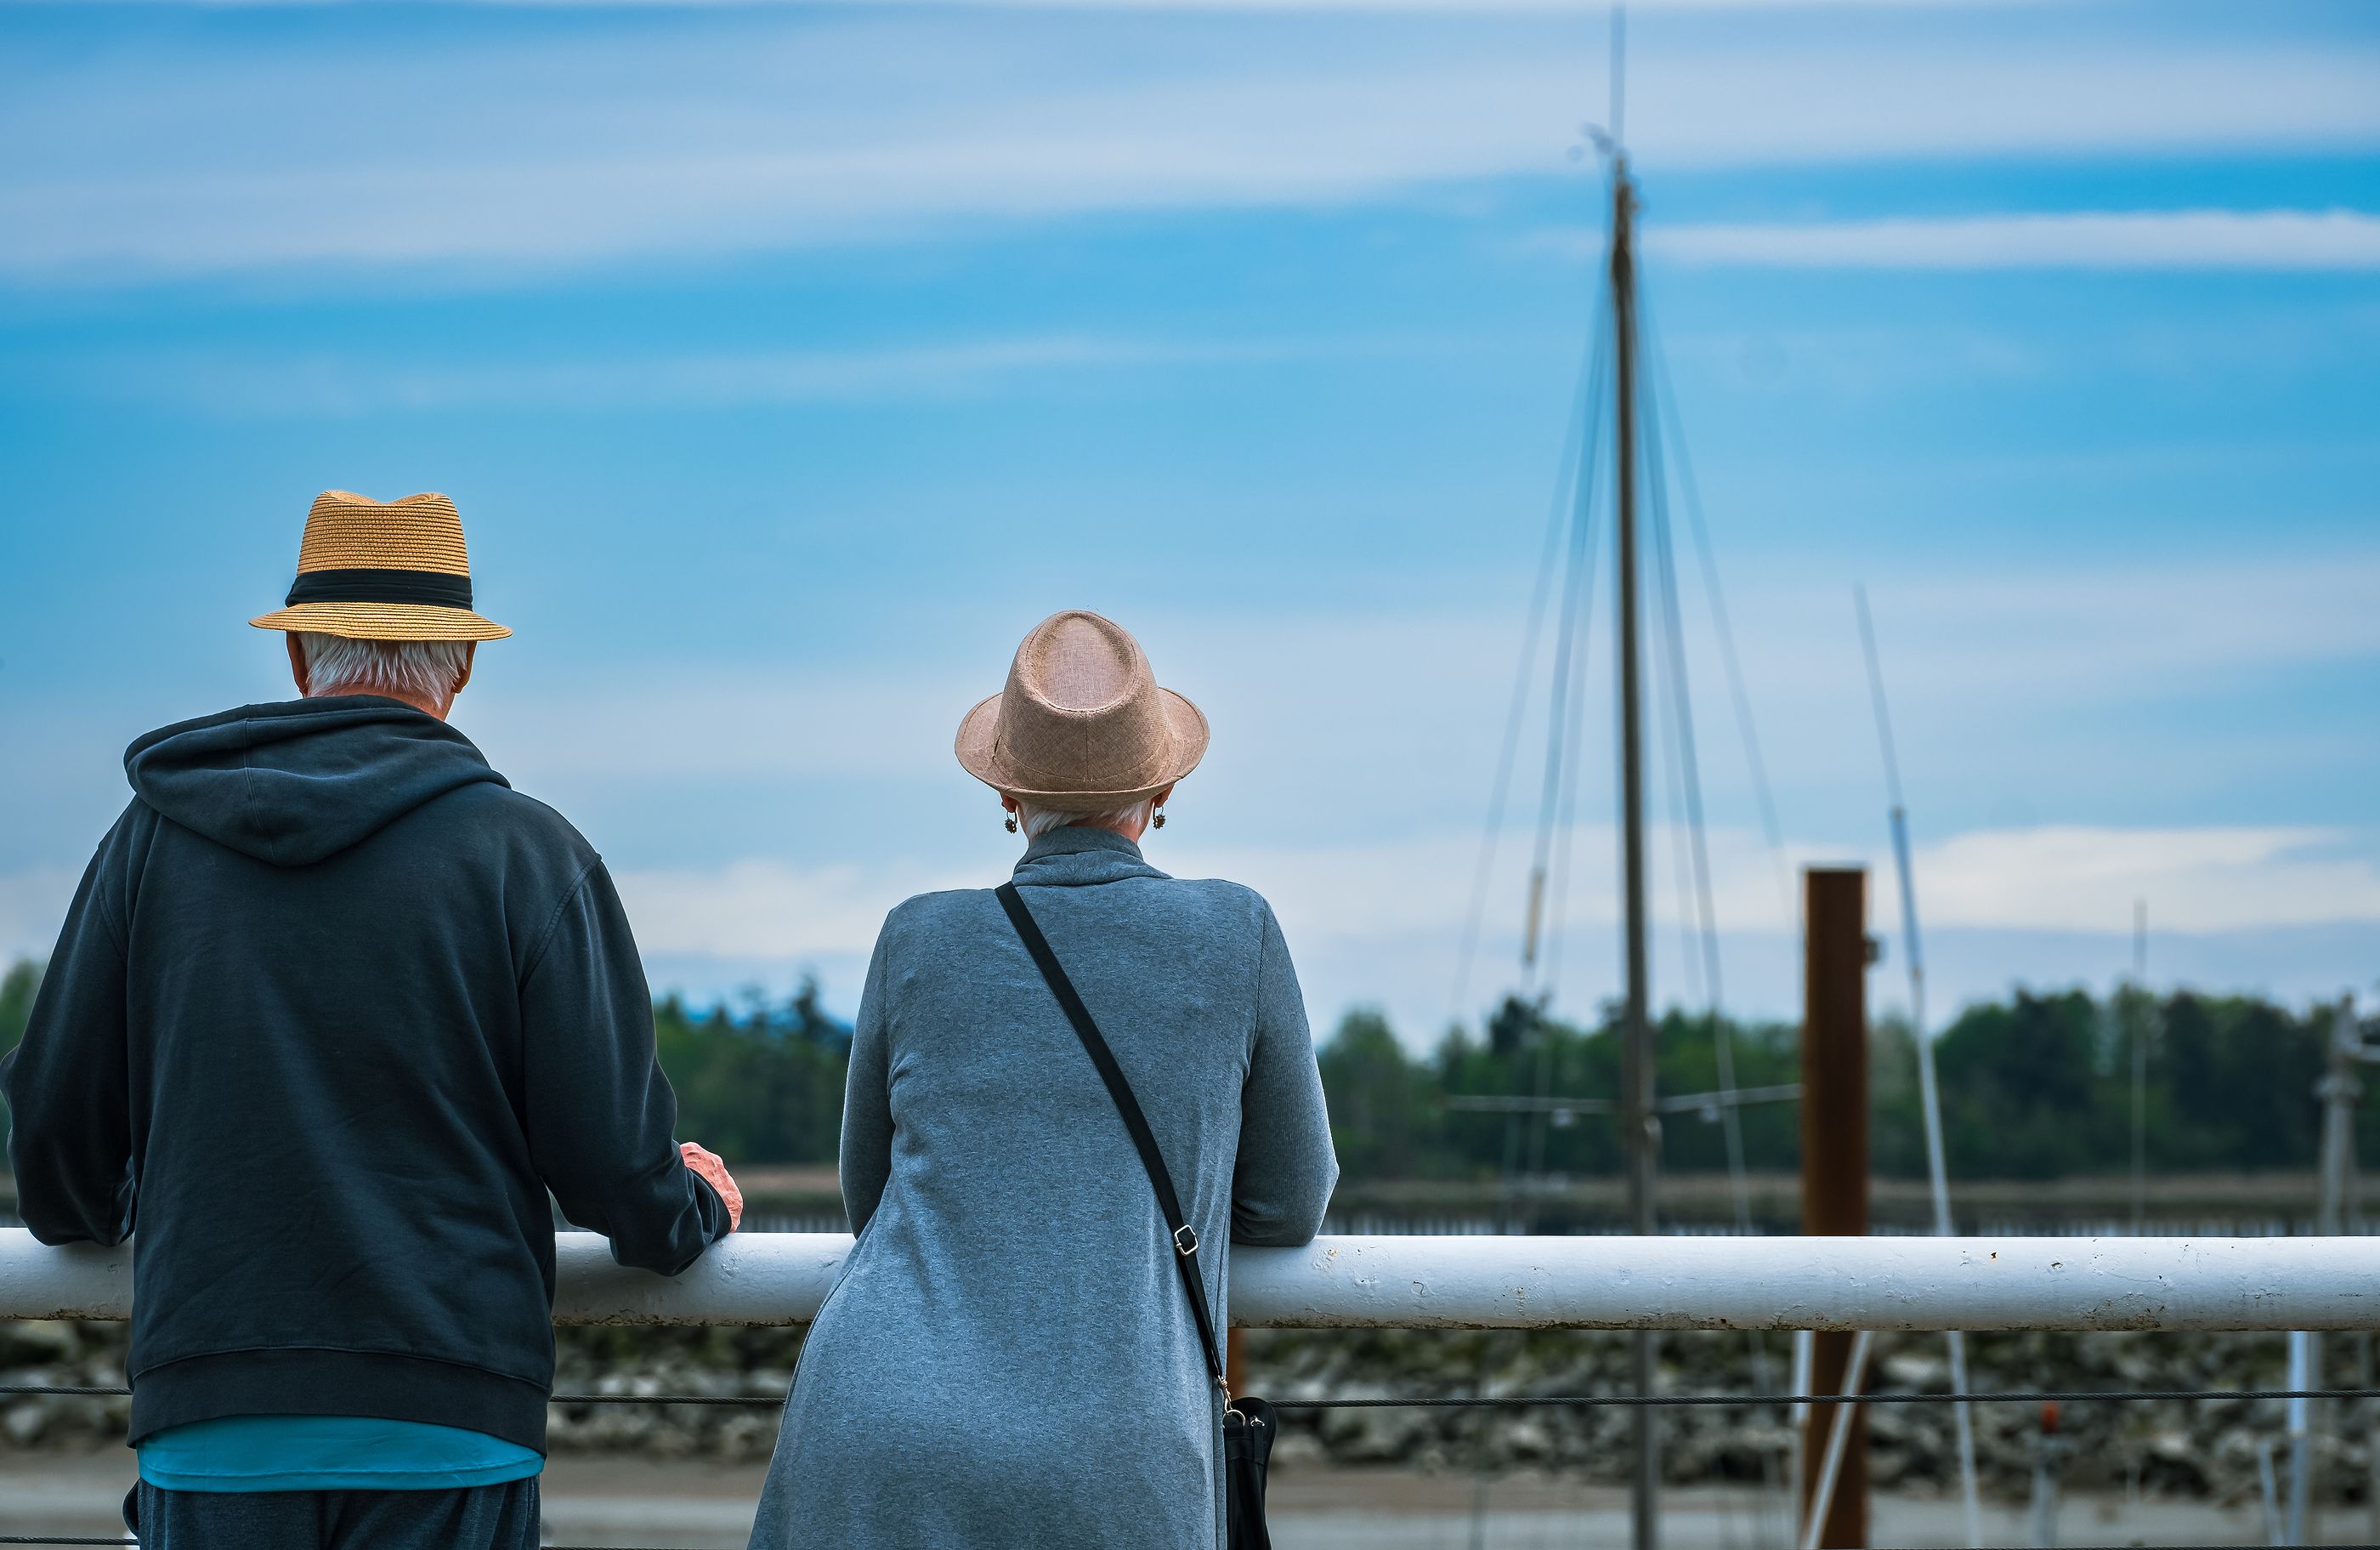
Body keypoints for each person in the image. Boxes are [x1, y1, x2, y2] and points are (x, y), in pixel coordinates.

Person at [0, 490, 745, 1550]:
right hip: (449, 1414)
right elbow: (617, 1176)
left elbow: (59, 1140)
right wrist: (693, 1207)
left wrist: (116, 1206)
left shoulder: (153, 842)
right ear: (465, 666)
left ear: (302, 656)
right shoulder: (529, 855)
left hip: (214, 1410)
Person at [747, 609, 1338, 1550]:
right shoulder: (1238, 931)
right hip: (1117, 1445)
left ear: (1007, 795)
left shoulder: (917, 934)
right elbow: (1290, 1200)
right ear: (1164, 785)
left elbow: (874, 1197)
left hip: (879, 1426)